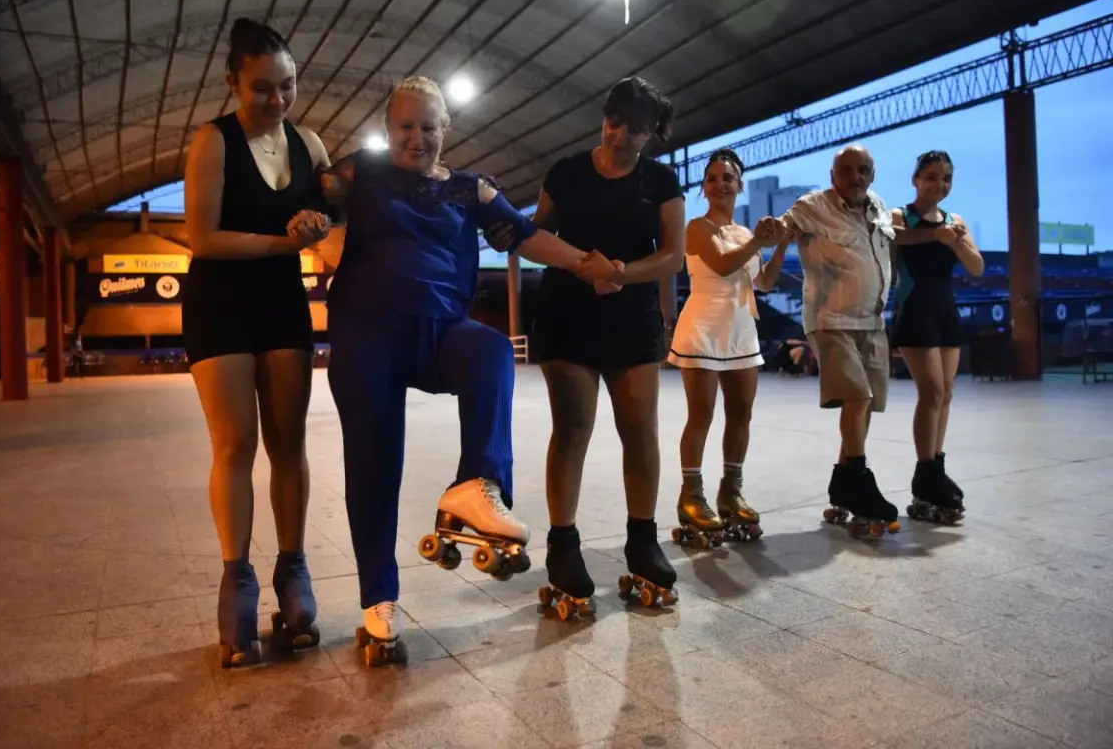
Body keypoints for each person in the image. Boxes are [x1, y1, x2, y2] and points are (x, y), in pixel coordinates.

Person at [319, 75, 617, 664]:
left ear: (445, 130)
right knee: (374, 464)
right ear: (388, 128)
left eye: (429, 127)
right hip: (366, 331)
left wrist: (586, 265)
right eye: (405, 126)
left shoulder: (470, 191)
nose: (416, 138)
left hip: (439, 331)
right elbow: (316, 191)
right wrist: (309, 208)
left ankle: (475, 486)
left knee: (490, 350)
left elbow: (527, 237)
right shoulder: (364, 172)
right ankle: (379, 600)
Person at [182, 17, 333, 668]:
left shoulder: (311, 145)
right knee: (236, 442)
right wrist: (286, 243)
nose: (277, 100)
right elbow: (203, 238)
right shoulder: (213, 143)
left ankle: (292, 572)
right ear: (233, 82)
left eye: (288, 85)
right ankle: (237, 578)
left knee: (290, 441)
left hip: (282, 305)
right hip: (219, 304)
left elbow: (339, 219)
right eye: (263, 88)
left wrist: (320, 223)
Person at [522, 76, 687, 614]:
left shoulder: (660, 181)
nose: (620, 137)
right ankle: (563, 545)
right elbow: (535, 237)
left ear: (651, 134)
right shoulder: (566, 172)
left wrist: (619, 270)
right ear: (604, 116)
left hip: (632, 316)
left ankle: (642, 540)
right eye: (614, 123)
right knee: (572, 430)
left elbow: (672, 256)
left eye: (635, 131)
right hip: (567, 313)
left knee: (640, 431)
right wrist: (580, 265)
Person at [666, 148, 789, 546]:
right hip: (703, 327)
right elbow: (721, 266)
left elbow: (765, 283)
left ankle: (730, 491)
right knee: (700, 415)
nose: (720, 184)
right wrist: (759, 239)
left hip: (740, 329)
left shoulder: (743, 233)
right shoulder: (697, 228)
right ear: (704, 187)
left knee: (741, 414)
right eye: (713, 178)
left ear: (739, 185)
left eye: (728, 178)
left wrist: (781, 243)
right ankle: (691, 495)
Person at [779, 144, 901, 539]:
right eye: (846, 170)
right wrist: (774, 232)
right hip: (831, 319)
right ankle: (859, 481)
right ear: (833, 175)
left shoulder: (879, 206)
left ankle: (842, 481)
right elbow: (786, 226)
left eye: (862, 169)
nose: (855, 177)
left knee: (864, 407)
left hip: (872, 321)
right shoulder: (813, 205)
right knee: (857, 397)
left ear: (873, 173)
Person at [890, 150, 983, 523]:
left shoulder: (955, 222)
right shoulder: (900, 215)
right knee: (929, 392)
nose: (938, 184)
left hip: (946, 311)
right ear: (916, 180)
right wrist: (934, 235)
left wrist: (954, 240)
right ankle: (925, 471)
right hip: (914, 309)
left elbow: (976, 267)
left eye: (945, 178)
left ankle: (934, 470)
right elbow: (893, 236)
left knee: (946, 393)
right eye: (930, 176)